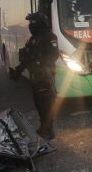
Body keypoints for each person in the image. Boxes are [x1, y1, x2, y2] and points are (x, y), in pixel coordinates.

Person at [12, 12, 59, 140]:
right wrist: (19, 70)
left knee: (46, 104)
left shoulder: (50, 36)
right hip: (34, 76)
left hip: (45, 75)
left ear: (41, 23)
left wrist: (40, 62)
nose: (31, 25)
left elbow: (54, 55)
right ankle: (43, 127)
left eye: (33, 22)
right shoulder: (33, 38)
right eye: (30, 23)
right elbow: (27, 56)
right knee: (38, 103)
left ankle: (48, 130)